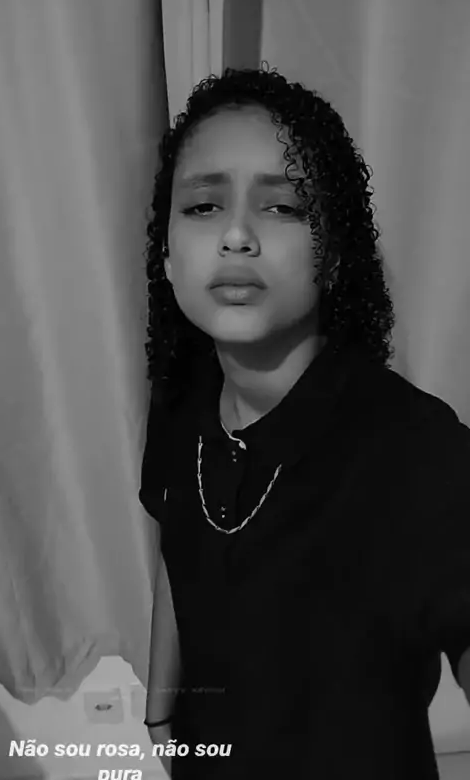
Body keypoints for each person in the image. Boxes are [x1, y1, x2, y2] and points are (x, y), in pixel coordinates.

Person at [139, 63, 470, 779]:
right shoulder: (180, 400)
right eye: (203, 206)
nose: (236, 235)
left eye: (283, 207)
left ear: (337, 252)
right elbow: (177, 545)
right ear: (165, 253)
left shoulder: (416, 450)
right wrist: (160, 714)